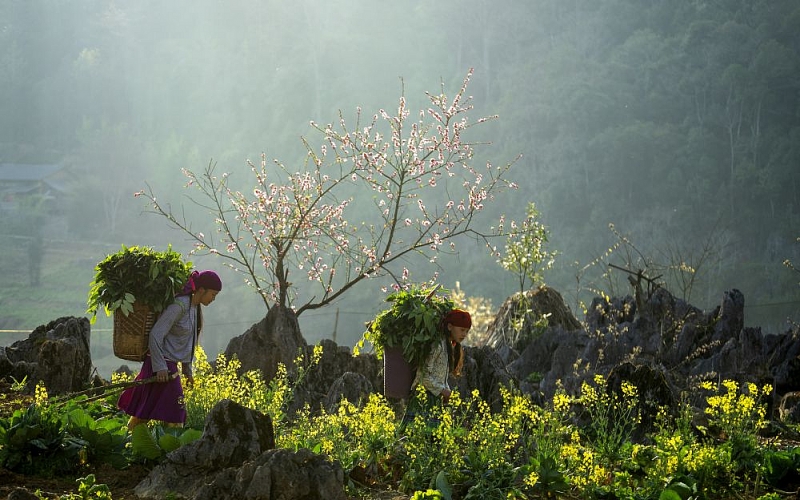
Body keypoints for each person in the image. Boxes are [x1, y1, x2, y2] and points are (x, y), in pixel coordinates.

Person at [118, 270, 222, 431]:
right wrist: (160, 367)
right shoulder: (178, 306)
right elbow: (155, 335)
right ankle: (172, 449)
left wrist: (188, 371)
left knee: (144, 413)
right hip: (161, 367)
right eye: (213, 294)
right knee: (175, 412)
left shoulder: (194, 308)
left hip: (167, 368)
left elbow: (187, 343)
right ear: (202, 290)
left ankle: (129, 444)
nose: (213, 299)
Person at [402, 308, 471, 427]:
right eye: (462, 330)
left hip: (434, 400)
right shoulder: (437, 346)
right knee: (420, 439)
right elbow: (423, 376)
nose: (464, 335)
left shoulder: (448, 347)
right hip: (423, 399)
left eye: (467, 331)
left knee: (432, 442)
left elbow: (440, 378)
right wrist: (444, 391)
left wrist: (447, 393)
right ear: (450, 327)